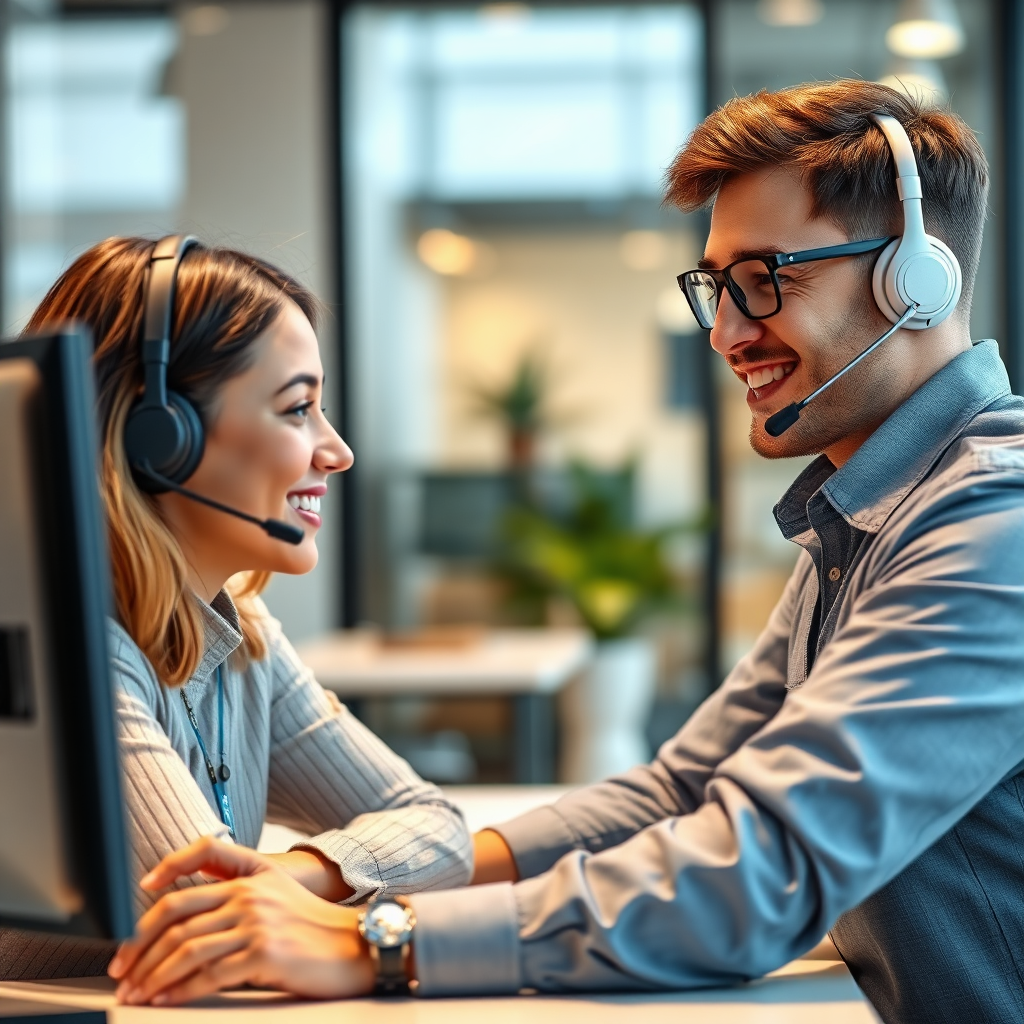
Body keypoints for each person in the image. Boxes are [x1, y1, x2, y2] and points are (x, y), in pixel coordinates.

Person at [109, 79, 1024, 1024]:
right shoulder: (871, 521)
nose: (725, 332)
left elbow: (765, 869)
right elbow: (685, 790)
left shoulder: (995, 522)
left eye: (766, 279)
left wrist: (381, 943)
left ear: (916, 277)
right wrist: (338, 893)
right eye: (718, 287)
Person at [0, 237, 472, 981]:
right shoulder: (76, 652)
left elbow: (443, 832)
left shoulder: (239, 636)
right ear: (158, 440)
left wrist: (299, 875)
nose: (337, 450)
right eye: (298, 410)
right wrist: (282, 892)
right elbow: (208, 914)